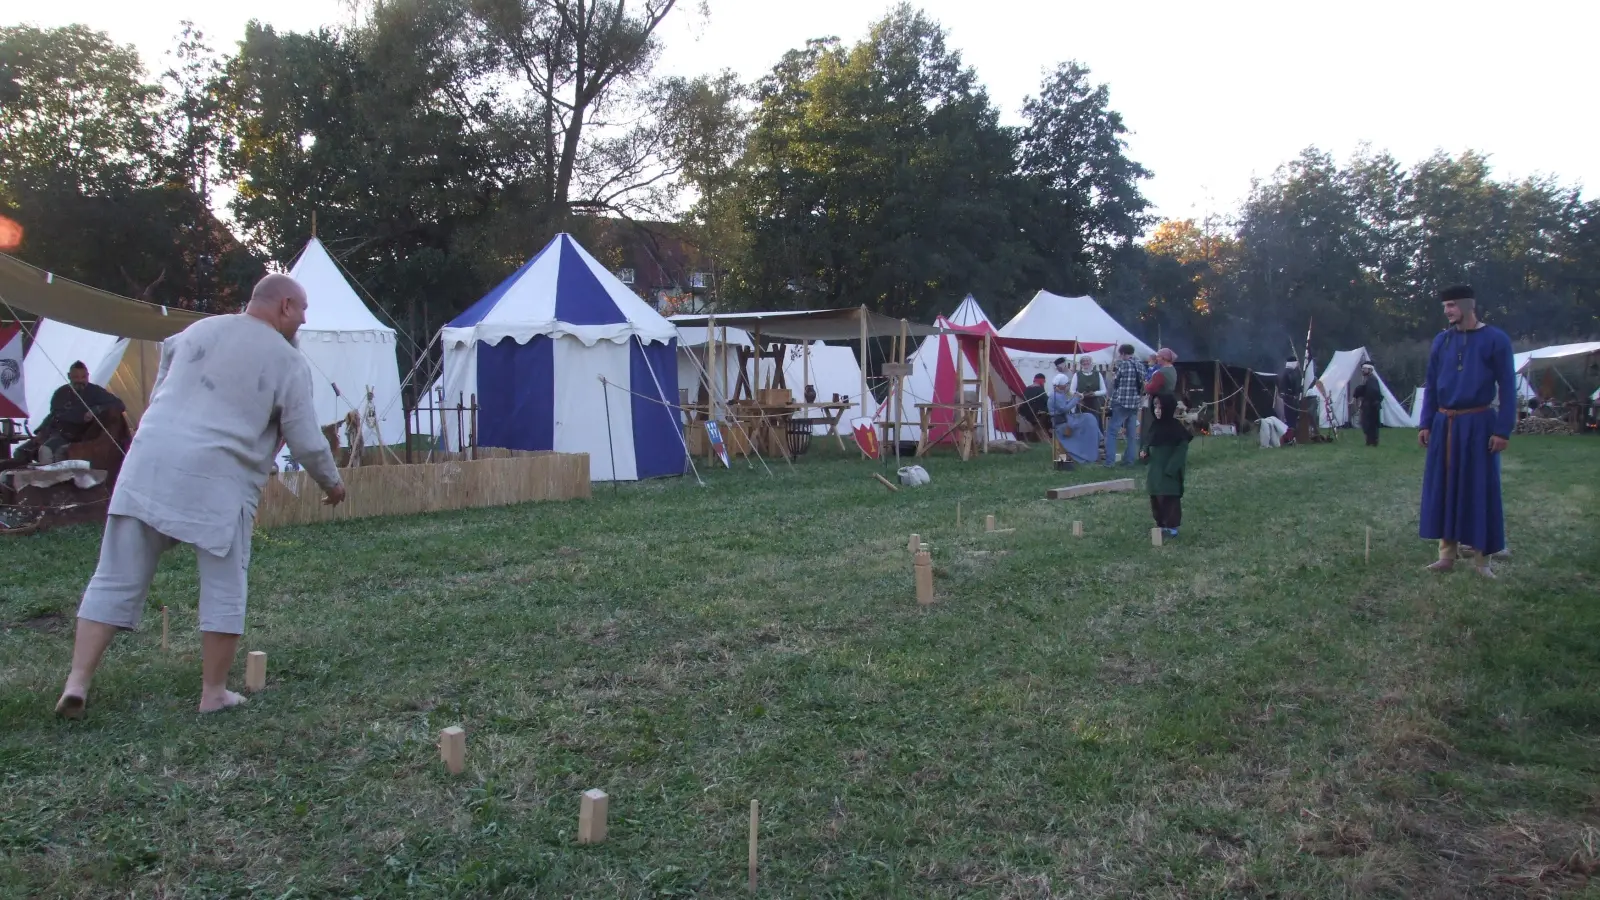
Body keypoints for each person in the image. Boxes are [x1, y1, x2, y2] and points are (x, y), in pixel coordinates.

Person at [55, 273, 347, 718]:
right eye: (302, 311)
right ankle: (213, 693)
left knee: (114, 577)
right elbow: (305, 438)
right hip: (218, 477)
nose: (303, 321)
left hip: (148, 462)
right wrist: (332, 482)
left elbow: (160, 395)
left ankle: (77, 683)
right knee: (225, 584)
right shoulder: (287, 361)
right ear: (285, 306)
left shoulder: (193, 333)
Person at [1418, 284, 1516, 578]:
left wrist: (1502, 430)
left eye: (1452, 305)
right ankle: (1446, 555)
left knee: (1479, 487)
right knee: (1445, 487)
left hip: (1478, 422)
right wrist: (1425, 422)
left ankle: (1482, 561)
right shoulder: (1442, 341)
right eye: (1445, 306)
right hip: (1445, 423)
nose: (1447, 311)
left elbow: (1508, 388)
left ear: (1468, 305)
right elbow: (1432, 384)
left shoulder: (1495, 339)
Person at [26, 361, 127, 464]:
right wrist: (41, 431)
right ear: (69, 376)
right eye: (76, 377)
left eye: (83, 377)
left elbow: (119, 405)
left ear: (88, 376)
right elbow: (53, 415)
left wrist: (95, 410)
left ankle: (52, 478)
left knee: (46, 451)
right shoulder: (61, 392)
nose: (80, 380)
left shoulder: (95, 392)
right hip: (54, 432)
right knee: (21, 452)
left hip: (77, 435)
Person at [1140, 393, 1191, 539]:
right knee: (1156, 499)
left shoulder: (1176, 429)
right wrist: (1144, 452)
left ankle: (1172, 527)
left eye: (1160, 407)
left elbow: (1181, 450)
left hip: (1169, 474)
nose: (1157, 410)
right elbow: (1148, 444)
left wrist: (1171, 469)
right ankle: (1161, 525)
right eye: (1155, 406)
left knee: (1169, 500)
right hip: (1154, 472)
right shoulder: (1154, 427)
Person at [1048, 373, 1102, 465]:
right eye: (1067, 384)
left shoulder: (1059, 394)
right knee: (1089, 420)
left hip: (1067, 419)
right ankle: (1089, 450)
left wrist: (1074, 399)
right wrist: (1076, 398)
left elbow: (1065, 404)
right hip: (1062, 423)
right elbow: (1064, 408)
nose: (1067, 386)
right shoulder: (1055, 395)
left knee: (1089, 418)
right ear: (1063, 385)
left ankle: (1097, 441)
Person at [1106, 344, 1144, 466]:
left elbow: (1114, 382)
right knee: (1132, 434)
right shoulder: (1140, 365)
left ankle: (1110, 462)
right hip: (1134, 403)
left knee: (1112, 432)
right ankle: (1129, 460)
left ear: (1122, 353)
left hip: (1121, 402)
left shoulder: (1122, 364)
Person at [1140, 348, 1179, 451]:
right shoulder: (1172, 370)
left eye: (1158, 357)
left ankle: (1148, 451)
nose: (1157, 359)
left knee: (1152, 427)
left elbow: (1152, 388)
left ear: (1164, 358)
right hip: (1170, 400)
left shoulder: (1160, 373)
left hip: (1159, 402)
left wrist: (1146, 385)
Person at [1351, 362, 1383, 446]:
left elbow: (1373, 392)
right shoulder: (1366, 379)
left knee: (1371, 424)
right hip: (1367, 405)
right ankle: (1369, 441)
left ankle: (1372, 442)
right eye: (1363, 369)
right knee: (1366, 424)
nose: (1363, 370)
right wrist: (1356, 395)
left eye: (1364, 369)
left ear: (1370, 369)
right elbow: (1362, 389)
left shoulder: (1372, 379)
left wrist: (1369, 402)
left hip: (1371, 406)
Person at [1021, 373, 1050, 440]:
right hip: (1035, 414)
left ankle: (1035, 437)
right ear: (1042, 381)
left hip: (1026, 413)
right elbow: (1047, 400)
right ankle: (1042, 437)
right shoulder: (1040, 389)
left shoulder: (1027, 388)